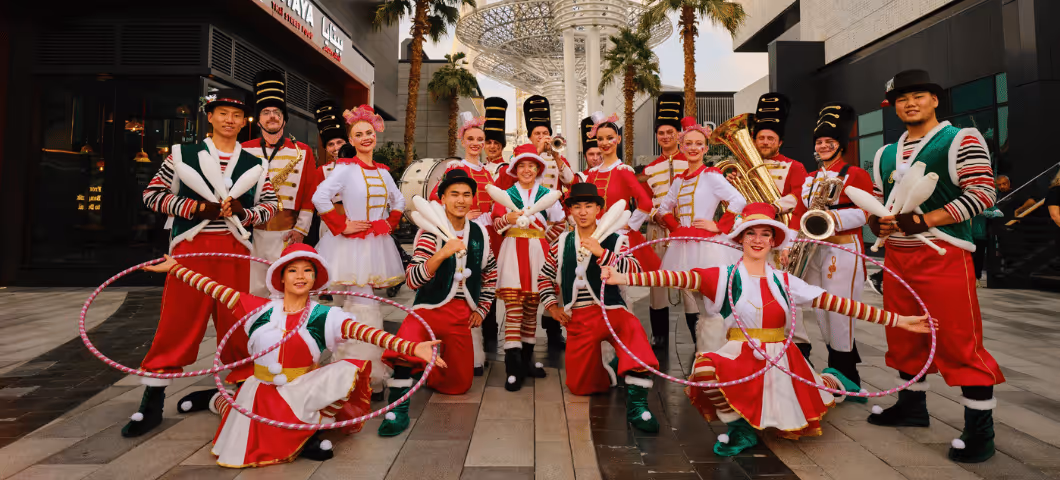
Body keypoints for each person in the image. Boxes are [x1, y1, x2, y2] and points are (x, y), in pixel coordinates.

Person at [602, 202, 934, 456]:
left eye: (765, 234)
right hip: (741, 353)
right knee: (704, 368)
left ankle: (834, 380)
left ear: (773, 241)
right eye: (751, 232)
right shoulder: (723, 275)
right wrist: (622, 278)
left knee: (819, 389)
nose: (758, 239)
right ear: (741, 238)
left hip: (781, 358)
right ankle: (739, 431)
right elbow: (674, 277)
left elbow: (840, 304)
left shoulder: (785, 281)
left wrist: (900, 320)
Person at [141, 243, 445, 467]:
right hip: (262, 389)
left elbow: (368, 333)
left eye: (308, 271)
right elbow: (212, 287)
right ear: (281, 278)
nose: (301, 276)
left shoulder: (325, 314)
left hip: (301, 387)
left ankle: (308, 434)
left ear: (315, 278)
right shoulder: (256, 307)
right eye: (294, 270)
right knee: (239, 421)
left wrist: (412, 347)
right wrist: (177, 269)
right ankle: (211, 398)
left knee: (348, 368)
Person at [868, 69, 1004, 463]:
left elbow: (982, 192)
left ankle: (981, 429)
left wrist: (925, 220)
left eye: (918, 96)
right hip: (896, 255)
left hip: (944, 251)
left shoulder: (960, 138)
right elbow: (880, 201)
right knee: (904, 336)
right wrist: (879, 221)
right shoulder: (884, 153)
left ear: (935, 99)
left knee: (958, 339)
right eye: (901, 99)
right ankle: (912, 407)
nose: (909, 103)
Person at [129, 89, 278, 437]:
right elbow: (152, 194)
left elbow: (270, 205)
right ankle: (151, 401)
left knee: (237, 323)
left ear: (245, 122)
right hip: (190, 252)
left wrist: (245, 211)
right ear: (209, 117)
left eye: (236, 115)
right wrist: (196, 208)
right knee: (177, 322)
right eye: (222, 113)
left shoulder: (256, 164)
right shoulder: (183, 154)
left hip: (235, 251)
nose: (229, 120)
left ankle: (244, 395)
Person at [378, 170, 498, 435]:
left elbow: (490, 275)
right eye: (454, 194)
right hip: (427, 311)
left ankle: (424, 368)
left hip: (460, 315)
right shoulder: (429, 231)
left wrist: (482, 308)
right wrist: (442, 253)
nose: (461, 200)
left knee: (459, 386)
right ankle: (397, 408)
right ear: (442, 198)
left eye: (467, 195)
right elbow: (412, 280)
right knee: (406, 342)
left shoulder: (480, 233)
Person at [538, 183, 660, 432]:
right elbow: (543, 278)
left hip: (612, 310)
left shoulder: (617, 240)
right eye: (577, 207)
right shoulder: (560, 244)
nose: (583, 212)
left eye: (589, 206)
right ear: (570, 211)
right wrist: (552, 307)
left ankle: (638, 405)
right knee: (582, 387)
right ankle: (613, 371)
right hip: (580, 318)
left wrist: (603, 253)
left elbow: (634, 271)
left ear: (598, 209)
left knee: (634, 332)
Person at [312, 105, 406, 395]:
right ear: (350, 141)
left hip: (376, 246)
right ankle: (360, 375)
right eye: (358, 134)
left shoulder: (383, 171)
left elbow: (399, 200)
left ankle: (361, 374)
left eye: (368, 133)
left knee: (364, 306)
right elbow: (320, 196)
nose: (365, 138)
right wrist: (341, 225)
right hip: (350, 247)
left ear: (375, 135)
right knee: (360, 308)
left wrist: (388, 224)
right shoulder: (345, 168)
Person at [795, 102, 873, 398]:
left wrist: (831, 219)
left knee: (841, 311)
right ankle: (839, 369)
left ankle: (847, 374)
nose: (824, 146)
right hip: (814, 250)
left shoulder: (855, 173)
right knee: (822, 310)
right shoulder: (810, 180)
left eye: (829, 141)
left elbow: (868, 212)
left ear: (840, 145)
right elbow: (801, 214)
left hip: (843, 248)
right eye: (819, 142)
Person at [654, 116, 746, 352]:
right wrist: (677, 229)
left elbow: (738, 199)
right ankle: (705, 351)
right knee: (697, 301)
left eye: (698, 144)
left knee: (713, 302)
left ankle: (721, 351)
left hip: (709, 247)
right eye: (689, 144)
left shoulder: (712, 176)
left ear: (705, 148)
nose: (693, 148)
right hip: (684, 246)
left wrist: (719, 226)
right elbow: (663, 209)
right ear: (682, 147)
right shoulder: (679, 181)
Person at [738, 93, 814, 358]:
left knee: (786, 291)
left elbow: (800, 199)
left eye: (771, 138)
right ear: (754, 141)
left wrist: (775, 207)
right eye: (761, 138)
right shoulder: (741, 167)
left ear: (780, 142)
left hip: (780, 238)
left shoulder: (794, 166)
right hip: (751, 240)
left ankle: (799, 345)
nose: (766, 142)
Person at [492, 143, 566, 391]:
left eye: (531, 166)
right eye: (521, 165)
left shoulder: (547, 193)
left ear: (537, 168)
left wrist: (546, 238)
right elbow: (496, 225)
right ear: (515, 169)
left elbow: (560, 222)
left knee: (532, 309)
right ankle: (513, 368)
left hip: (538, 253)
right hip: (513, 252)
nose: (526, 170)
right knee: (514, 310)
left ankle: (527, 360)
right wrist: (509, 219)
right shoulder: (506, 193)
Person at [428, 113, 497, 375]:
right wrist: (463, 215)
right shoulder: (454, 169)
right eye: (471, 139)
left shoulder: (489, 172)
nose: (476, 143)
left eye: (480, 139)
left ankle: (479, 350)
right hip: (459, 234)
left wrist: (488, 218)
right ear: (463, 141)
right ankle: (466, 353)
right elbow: (437, 201)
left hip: (486, 235)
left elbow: (494, 207)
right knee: (461, 290)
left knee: (481, 286)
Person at [242, 70, 320, 297]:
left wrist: (301, 229)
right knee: (253, 290)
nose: (272, 116)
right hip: (251, 233)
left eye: (277, 112)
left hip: (287, 233)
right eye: (266, 112)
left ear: (284, 118)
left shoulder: (302, 151)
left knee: (284, 291)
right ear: (258, 119)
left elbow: (309, 193)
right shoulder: (244, 149)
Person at [523, 95, 575, 349]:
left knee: (556, 274)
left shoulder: (556, 157)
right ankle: (528, 329)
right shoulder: (525, 159)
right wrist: (537, 155)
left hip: (555, 224)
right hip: (532, 222)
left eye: (546, 133)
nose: (543, 137)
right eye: (538, 134)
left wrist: (555, 155)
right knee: (533, 276)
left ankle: (553, 325)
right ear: (530, 137)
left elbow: (570, 181)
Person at [580, 112, 659, 271]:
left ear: (619, 139)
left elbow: (646, 202)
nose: (605, 143)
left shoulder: (623, 170)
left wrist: (628, 225)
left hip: (617, 237)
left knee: (617, 283)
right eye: (600, 139)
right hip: (593, 236)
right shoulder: (592, 174)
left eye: (610, 138)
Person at [642, 93, 689, 346]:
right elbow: (644, 201)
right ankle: (659, 337)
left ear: (678, 134)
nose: (666, 137)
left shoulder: (691, 162)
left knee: (691, 285)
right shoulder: (650, 168)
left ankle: (698, 336)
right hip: (658, 231)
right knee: (657, 284)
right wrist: (654, 215)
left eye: (670, 132)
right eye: (661, 133)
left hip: (686, 231)